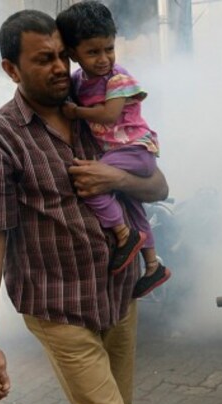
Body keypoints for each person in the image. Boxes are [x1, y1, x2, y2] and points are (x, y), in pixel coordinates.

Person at [0, 10, 168, 404]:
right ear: (11, 69)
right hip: (59, 306)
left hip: (119, 295)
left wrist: (115, 179)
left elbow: (157, 186)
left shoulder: (95, 116)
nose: (58, 68)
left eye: (61, 56)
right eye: (42, 59)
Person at [56, 1, 170, 297]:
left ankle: (123, 235)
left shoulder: (117, 78)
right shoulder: (78, 81)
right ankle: (153, 265)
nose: (104, 58)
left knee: (92, 179)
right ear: (72, 53)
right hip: (124, 154)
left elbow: (108, 114)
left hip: (135, 150)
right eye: (93, 52)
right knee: (133, 206)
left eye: (109, 48)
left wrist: (76, 113)